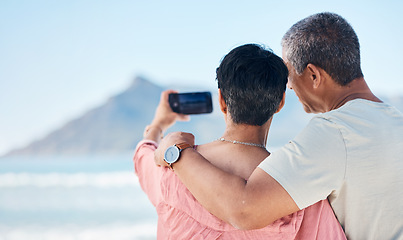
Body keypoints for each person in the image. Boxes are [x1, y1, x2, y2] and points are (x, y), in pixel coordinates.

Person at [154, 12, 403, 240]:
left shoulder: (334, 133)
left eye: (290, 78)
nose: (291, 87)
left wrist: (176, 150)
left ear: (314, 75)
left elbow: (244, 209)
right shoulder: (395, 121)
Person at [134, 44, 346, 239]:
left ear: (222, 101)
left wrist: (158, 125)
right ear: (280, 103)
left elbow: (143, 155)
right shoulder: (297, 193)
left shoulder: (170, 168)